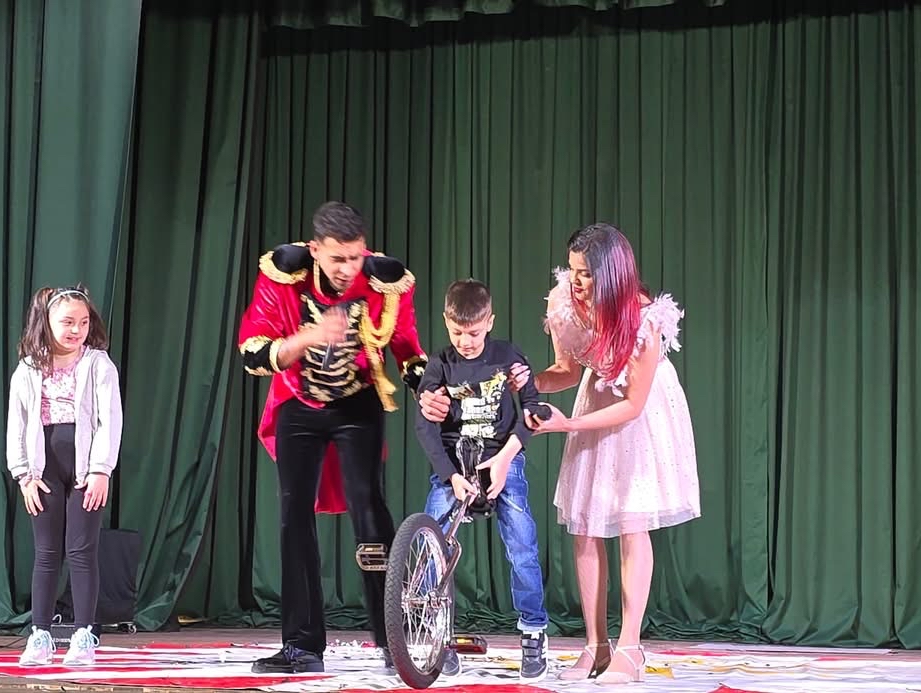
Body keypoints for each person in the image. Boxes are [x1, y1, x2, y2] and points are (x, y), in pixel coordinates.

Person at [419, 223, 700, 684]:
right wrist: (522, 384)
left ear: (612, 273)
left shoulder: (644, 318)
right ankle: (596, 646)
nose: (576, 281)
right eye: (573, 270)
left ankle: (630, 647)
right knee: (586, 526)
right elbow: (566, 371)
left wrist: (567, 423)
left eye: (586, 273)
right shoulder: (564, 302)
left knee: (631, 523)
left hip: (639, 414)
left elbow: (633, 404)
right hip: (595, 397)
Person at [237, 201, 428, 674]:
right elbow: (252, 352)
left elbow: (407, 349)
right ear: (315, 249)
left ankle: (394, 639)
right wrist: (308, 337)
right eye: (337, 258)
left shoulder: (383, 281)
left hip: (357, 405)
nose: (347, 269)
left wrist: (428, 389)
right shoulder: (283, 275)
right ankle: (302, 646)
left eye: (355, 257)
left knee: (370, 514)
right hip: (298, 403)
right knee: (293, 517)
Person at [412, 279, 551, 680]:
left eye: (473, 333)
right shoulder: (439, 364)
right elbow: (425, 427)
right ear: (445, 322)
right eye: (457, 332)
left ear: (490, 322)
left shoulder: (508, 356)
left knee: (522, 545)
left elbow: (533, 411)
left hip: (502, 458)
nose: (466, 342)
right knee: (431, 547)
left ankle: (533, 631)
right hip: (455, 464)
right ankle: (437, 634)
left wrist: (505, 460)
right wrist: (451, 476)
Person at [5, 284, 124, 667]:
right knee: (46, 552)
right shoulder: (28, 368)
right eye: (68, 322)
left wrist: (101, 470)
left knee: (82, 551)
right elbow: (17, 423)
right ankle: (40, 635)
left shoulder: (98, 364)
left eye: (83, 322)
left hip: (86, 468)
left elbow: (109, 420)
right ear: (47, 322)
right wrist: (24, 475)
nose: (76, 330)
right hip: (44, 469)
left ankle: (83, 634)